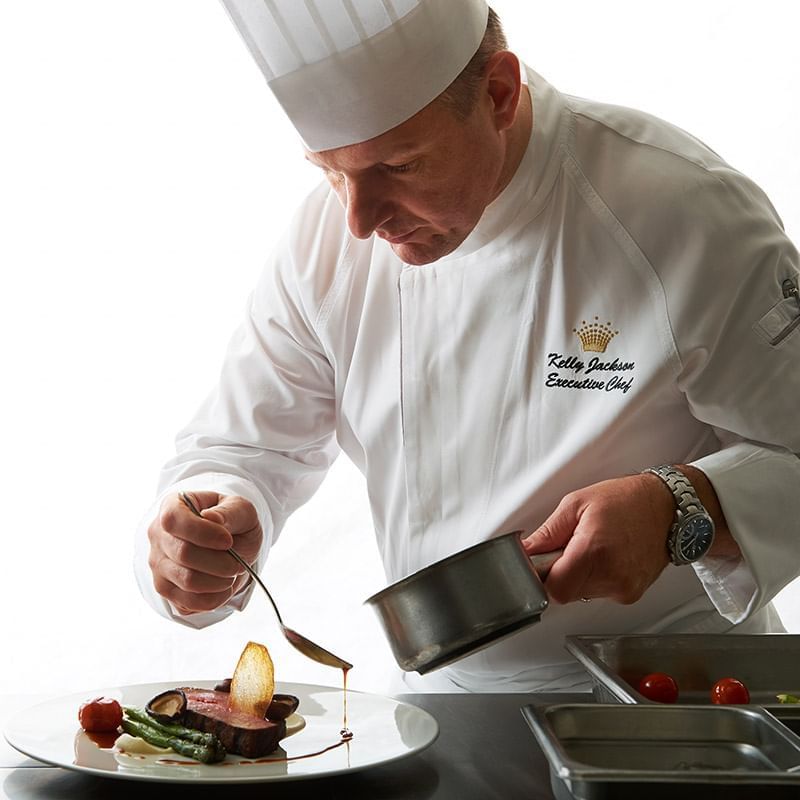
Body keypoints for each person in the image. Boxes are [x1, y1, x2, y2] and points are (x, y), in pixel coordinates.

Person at [135, 0, 800, 692]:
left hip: (675, 697)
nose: (360, 221)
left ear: (499, 95)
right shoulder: (324, 246)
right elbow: (242, 449)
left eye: (401, 164)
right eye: (330, 172)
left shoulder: (684, 210)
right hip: (442, 707)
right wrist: (211, 514)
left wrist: (680, 505)